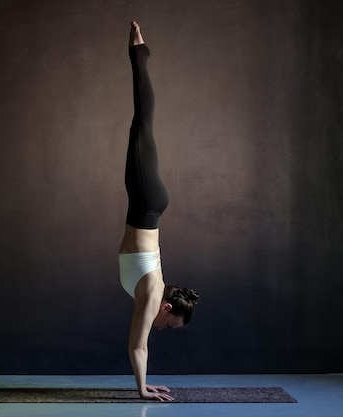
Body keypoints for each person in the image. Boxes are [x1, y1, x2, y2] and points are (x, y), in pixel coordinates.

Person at [118, 21, 199, 402]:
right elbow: (138, 346)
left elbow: (139, 344)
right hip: (147, 201)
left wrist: (145, 385)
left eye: (167, 325)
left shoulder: (150, 293)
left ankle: (140, 53)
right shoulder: (151, 293)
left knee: (143, 122)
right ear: (165, 307)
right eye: (170, 323)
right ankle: (139, 51)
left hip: (150, 205)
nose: (164, 327)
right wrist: (142, 391)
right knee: (143, 119)